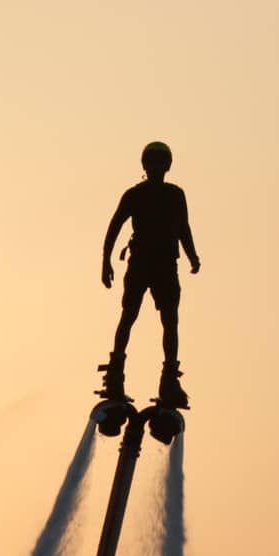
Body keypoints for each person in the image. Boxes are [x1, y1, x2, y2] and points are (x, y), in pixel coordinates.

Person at [99, 141, 200, 407]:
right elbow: (115, 225)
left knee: (170, 322)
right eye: (152, 163)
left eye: (160, 163)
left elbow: (183, 228)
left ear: (167, 166)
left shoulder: (176, 195)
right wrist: (105, 261)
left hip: (166, 265)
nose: (156, 168)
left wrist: (192, 255)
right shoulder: (135, 195)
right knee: (129, 315)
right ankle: (115, 375)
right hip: (141, 264)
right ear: (145, 165)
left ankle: (169, 381)